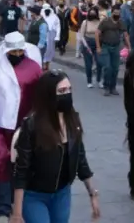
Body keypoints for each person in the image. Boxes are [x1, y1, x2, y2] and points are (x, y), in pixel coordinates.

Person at [11, 70, 100, 223]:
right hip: (34, 196)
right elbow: (21, 171)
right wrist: (17, 213)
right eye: (62, 91)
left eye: (69, 89)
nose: (67, 94)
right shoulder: (31, 126)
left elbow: (80, 158)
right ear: (48, 95)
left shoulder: (73, 120)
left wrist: (93, 193)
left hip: (62, 194)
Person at [0, 32, 43, 222]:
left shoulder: (34, 67)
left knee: (23, 165)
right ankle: (2, 209)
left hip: (26, 126)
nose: (17, 54)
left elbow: (41, 95)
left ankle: (20, 203)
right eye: (14, 51)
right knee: (0, 164)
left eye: (20, 51)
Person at [96, 4, 131, 96]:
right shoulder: (105, 22)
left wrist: (129, 47)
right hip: (105, 47)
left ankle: (113, 87)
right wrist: (98, 47)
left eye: (118, 13)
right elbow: (97, 33)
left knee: (115, 68)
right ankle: (106, 87)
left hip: (116, 47)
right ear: (111, 13)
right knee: (108, 67)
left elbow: (126, 35)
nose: (117, 15)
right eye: (115, 13)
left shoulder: (121, 22)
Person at [80, 8, 103, 89]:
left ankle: (99, 80)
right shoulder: (85, 22)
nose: (92, 15)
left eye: (94, 13)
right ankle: (89, 81)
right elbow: (82, 36)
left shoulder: (100, 22)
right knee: (88, 64)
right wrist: (86, 46)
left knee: (99, 63)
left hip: (98, 43)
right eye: (91, 13)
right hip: (87, 43)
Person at [41, 4, 60, 70]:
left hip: (51, 35)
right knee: (43, 50)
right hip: (42, 35)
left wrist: (57, 36)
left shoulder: (54, 17)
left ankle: (47, 66)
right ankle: (42, 65)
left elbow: (58, 27)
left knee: (50, 51)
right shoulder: (41, 15)